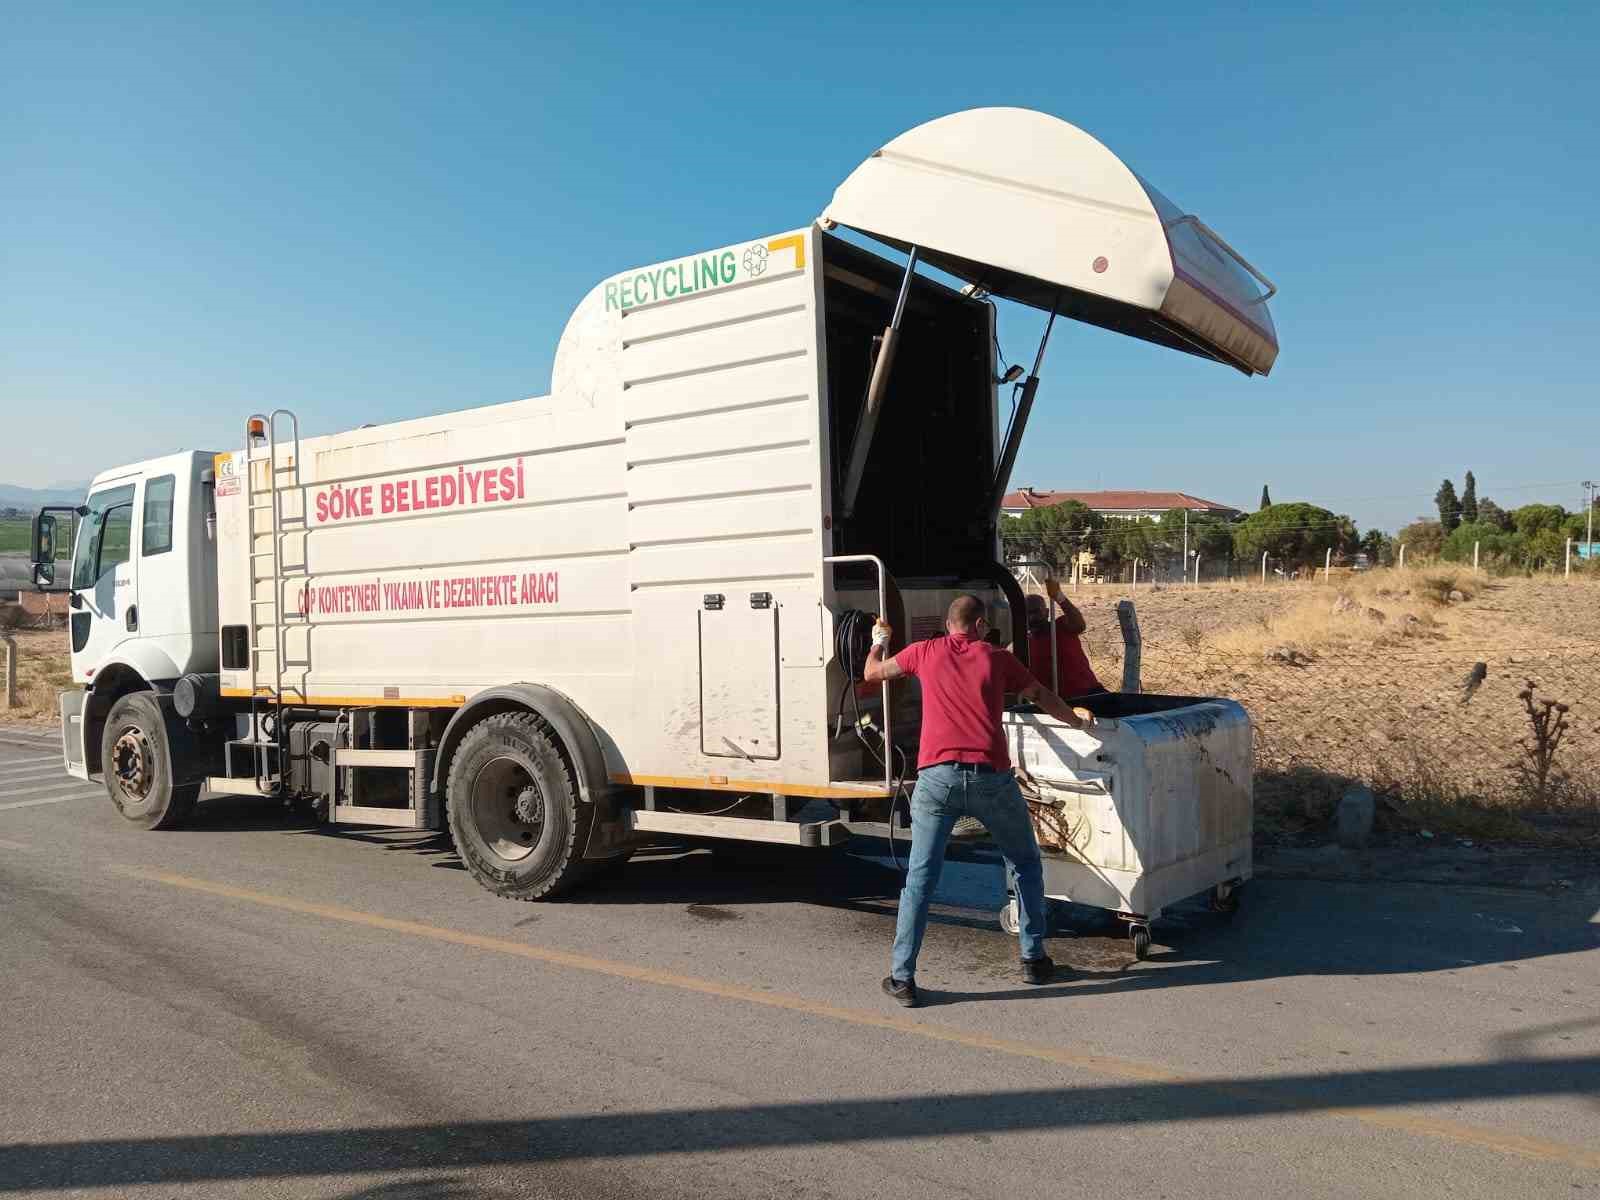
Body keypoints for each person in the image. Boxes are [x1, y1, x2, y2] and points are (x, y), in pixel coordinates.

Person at [863, 594, 1087, 1007]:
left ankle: (902, 978)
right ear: (981, 625)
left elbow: (872, 672)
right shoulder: (996, 658)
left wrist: (879, 639)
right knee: (1024, 863)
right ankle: (1033, 959)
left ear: (949, 624)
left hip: (936, 781)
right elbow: (1039, 693)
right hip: (991, 780)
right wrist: (1075, 719)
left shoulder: (923, 653)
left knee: (921, 879)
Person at [1025, 576, 1104, 699]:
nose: (1031, 618)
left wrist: (1059, 597)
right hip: (1057, 705)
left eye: (1035, 612)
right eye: (1027, 613)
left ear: (1046, 613)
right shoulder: (1023, 643)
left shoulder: (1061, 627)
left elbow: (1079, 625)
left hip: (1089, 695)